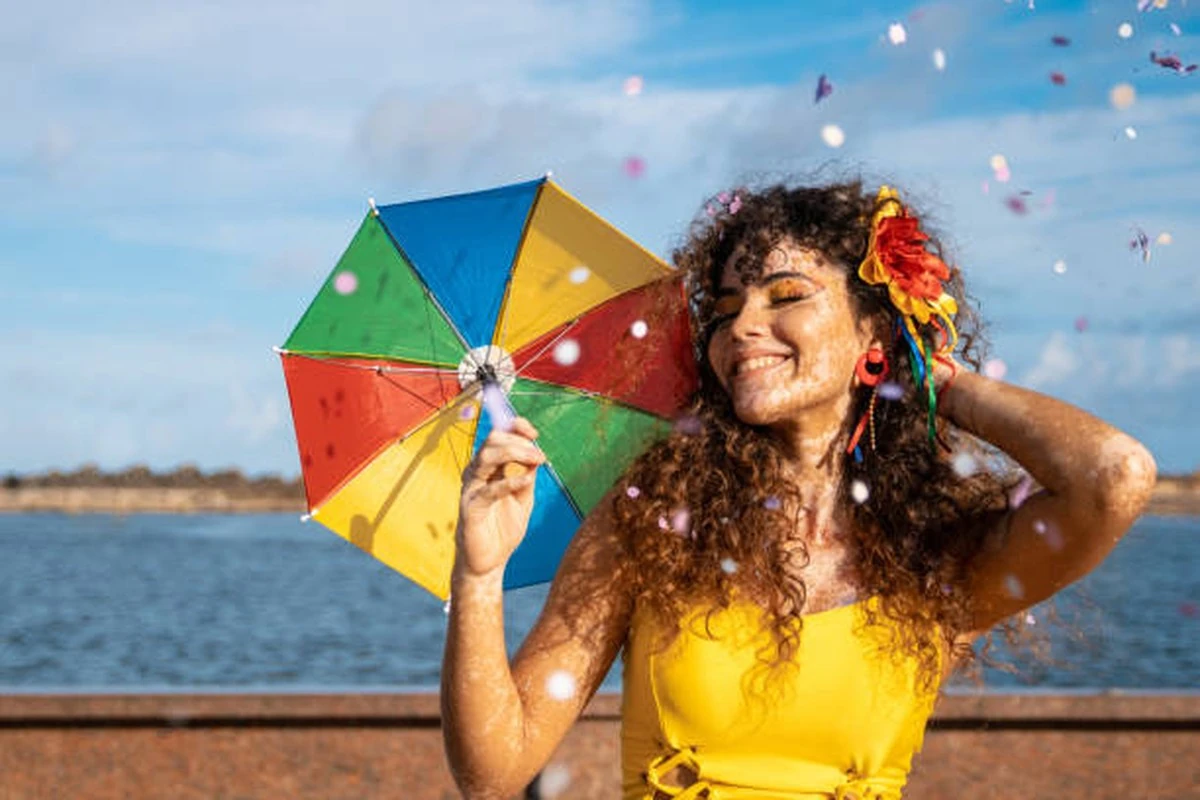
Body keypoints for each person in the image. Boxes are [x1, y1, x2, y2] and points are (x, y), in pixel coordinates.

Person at [440, 180, 1157, 800]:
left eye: (786, 296)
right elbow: (495, 770)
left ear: (872, 330)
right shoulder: (650, 519)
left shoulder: (932, 552)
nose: (744, 325)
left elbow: (1114, 476)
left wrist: (933, 376)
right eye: (725, 307)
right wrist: (479, 573)